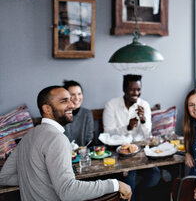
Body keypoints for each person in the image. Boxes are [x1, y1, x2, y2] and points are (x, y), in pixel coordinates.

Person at [0, 86, 131, 201]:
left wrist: (39, 178)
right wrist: (116, 184)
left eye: (70, 99)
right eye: (64, 101)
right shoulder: (57, 138)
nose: (72, 105)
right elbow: (68, 191)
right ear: (47, 109)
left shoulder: (28, 136)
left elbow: (4, 177)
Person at [103, 74, 159, 201]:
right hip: (119, 153)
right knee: (130, 176)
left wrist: (143, 120)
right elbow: (107, 132)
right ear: (124, 89)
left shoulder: (144, 105)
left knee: (155, 175)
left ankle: (137, 194)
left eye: (138, 90)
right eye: (132, 89)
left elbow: (147, 136)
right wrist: (127, 127)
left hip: (139, 153)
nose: (136, 93)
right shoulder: (111, 105)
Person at [63, 80, 94, 146]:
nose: (77, 98)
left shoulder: (87, 114)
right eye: (72, 95)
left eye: (79, 94)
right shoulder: (60, 115)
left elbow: (89, 139)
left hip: (84, 153)